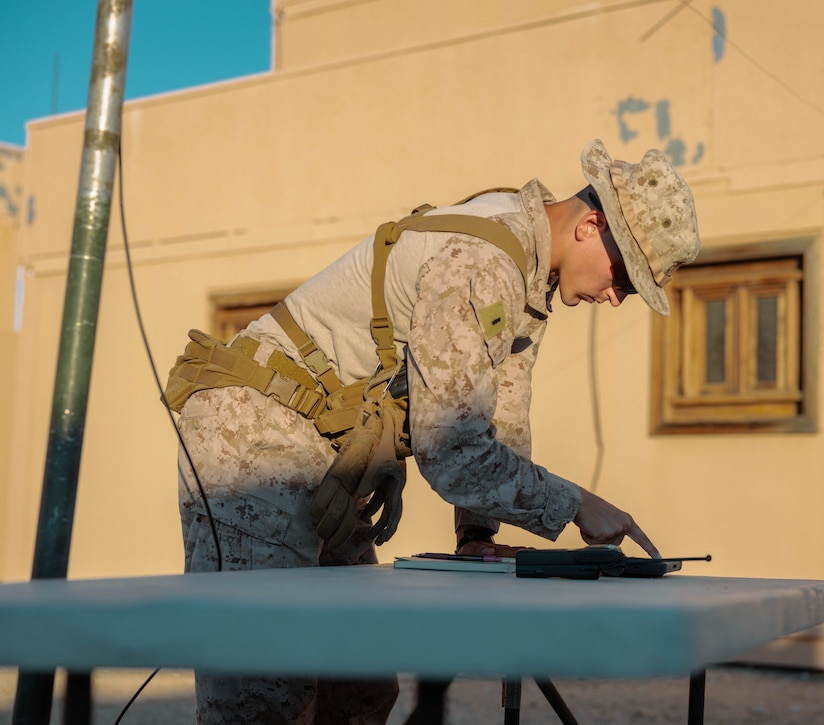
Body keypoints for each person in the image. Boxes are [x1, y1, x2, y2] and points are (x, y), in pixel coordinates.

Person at [167, 138, 700, 724]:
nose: (617, 298)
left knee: (359, 689)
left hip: (329, 451)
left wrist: (476, 536)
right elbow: (450, 449)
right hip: (253, 437)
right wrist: (576, 505)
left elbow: (498, 417)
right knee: (263, 689)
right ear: (590, 226)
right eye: (624, 276)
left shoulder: (530, 270)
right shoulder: (482, 259)